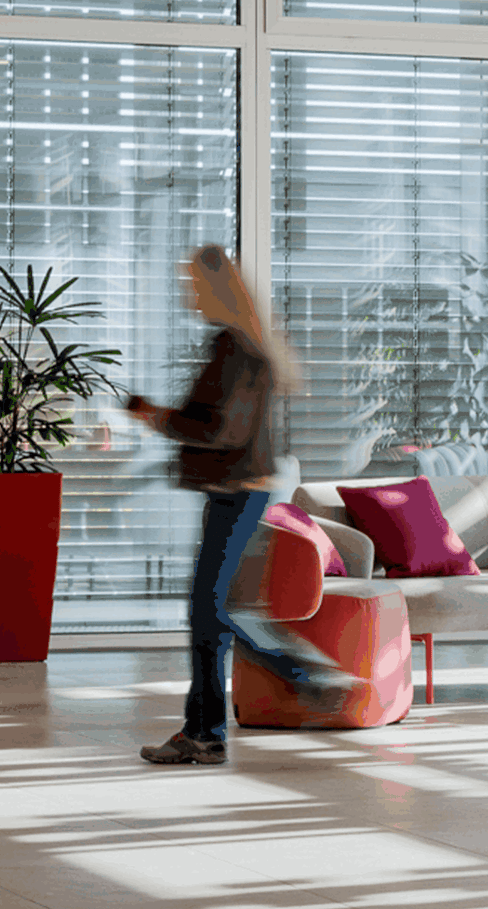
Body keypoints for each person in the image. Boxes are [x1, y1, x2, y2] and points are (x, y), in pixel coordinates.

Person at [127, 245, 341, 764]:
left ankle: (304, 671)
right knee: (210, 613)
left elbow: (223, 428)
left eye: (193, 283)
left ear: (214, 287)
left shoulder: (236, 347)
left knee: (211, 612)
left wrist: (155, 417)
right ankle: (204, 733)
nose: (187, 292)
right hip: (237, 491)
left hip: (238, 493)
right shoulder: (240, 344)